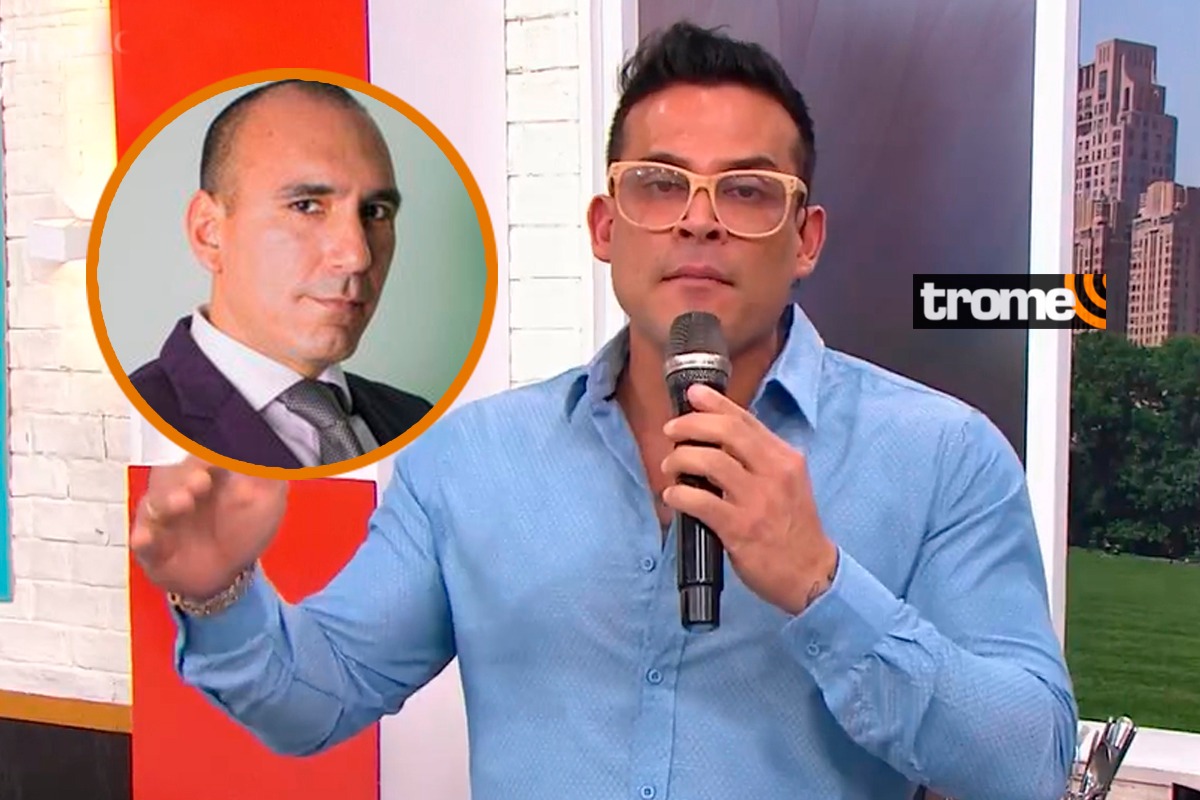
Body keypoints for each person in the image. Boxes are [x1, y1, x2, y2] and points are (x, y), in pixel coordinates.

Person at [129, 22, 1078, 800]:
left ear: (806, 240)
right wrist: (220, 597)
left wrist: (820, 585)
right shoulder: (469, 460)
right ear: (604, 227)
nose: (699, 219)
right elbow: (317, 699)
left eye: (748, 191)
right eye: (659, 184)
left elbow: (1026, 764)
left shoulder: (944, 456)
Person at [128, 79, 433, 469]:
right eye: (306, 206)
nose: (358, 256)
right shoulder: (135, 428)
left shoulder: (418, 421)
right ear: (209, 232)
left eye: (376, 212)